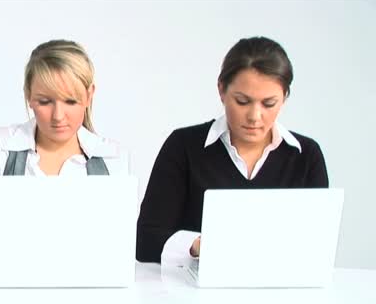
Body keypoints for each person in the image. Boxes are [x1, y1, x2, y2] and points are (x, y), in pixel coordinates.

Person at [135, 36, 328, 266]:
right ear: (222, 91)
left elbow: (320, 246)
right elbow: (145, 241)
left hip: (281, 293)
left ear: (284, 98)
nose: (255, 116)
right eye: (242, 101)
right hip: (192, 296)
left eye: (269, 104)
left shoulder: (306, 155)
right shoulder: (184, 146)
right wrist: (199, 245)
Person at [0, 39, 129, 263]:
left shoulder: (113, 157)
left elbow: (120, 248)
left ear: (89, 95)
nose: (58, 116)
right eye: (45, 101)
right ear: (28, 94)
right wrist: (20, 253)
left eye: (70, 102)